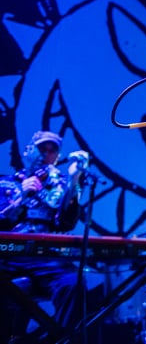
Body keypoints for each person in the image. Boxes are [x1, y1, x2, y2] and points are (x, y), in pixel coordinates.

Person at [0, 130, 101, 343]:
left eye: (52, 150)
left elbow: (66, 222)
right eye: (41, 148)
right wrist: (20, 197)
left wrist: (74, 181)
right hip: (9, 257)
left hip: (46, 258)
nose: (46, 153)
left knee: (73, 282)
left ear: (57, 156)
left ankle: (60, 339)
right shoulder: (7, 184)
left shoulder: (60, 186)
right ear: (28, 151)